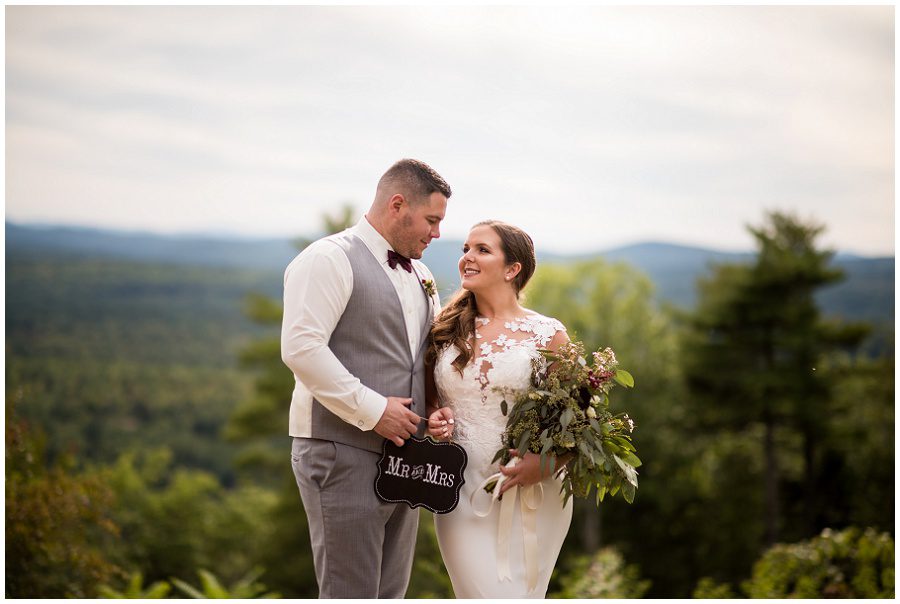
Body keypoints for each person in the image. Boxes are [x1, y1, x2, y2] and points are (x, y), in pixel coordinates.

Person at [282, 159, 452, 598]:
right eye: (432, 220)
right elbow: (301, 348)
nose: (437, 234)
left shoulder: (424, 275)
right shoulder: (328, 259)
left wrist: (433, 410)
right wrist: (375, 410)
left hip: (405, 460)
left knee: (389, 593)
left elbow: (417, 357)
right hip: (340, 452)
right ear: (398, 204)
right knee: (350, 593)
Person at [425, 220, 573, 598]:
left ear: (512, 269)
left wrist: (547, 464)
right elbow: (429, 401)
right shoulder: (443, 329)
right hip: (460, 489)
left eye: (481, 250)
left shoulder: (548, 334)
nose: (467, 258)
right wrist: (434, 419)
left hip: (534, 493)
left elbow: (578, 420)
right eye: (465, 249)